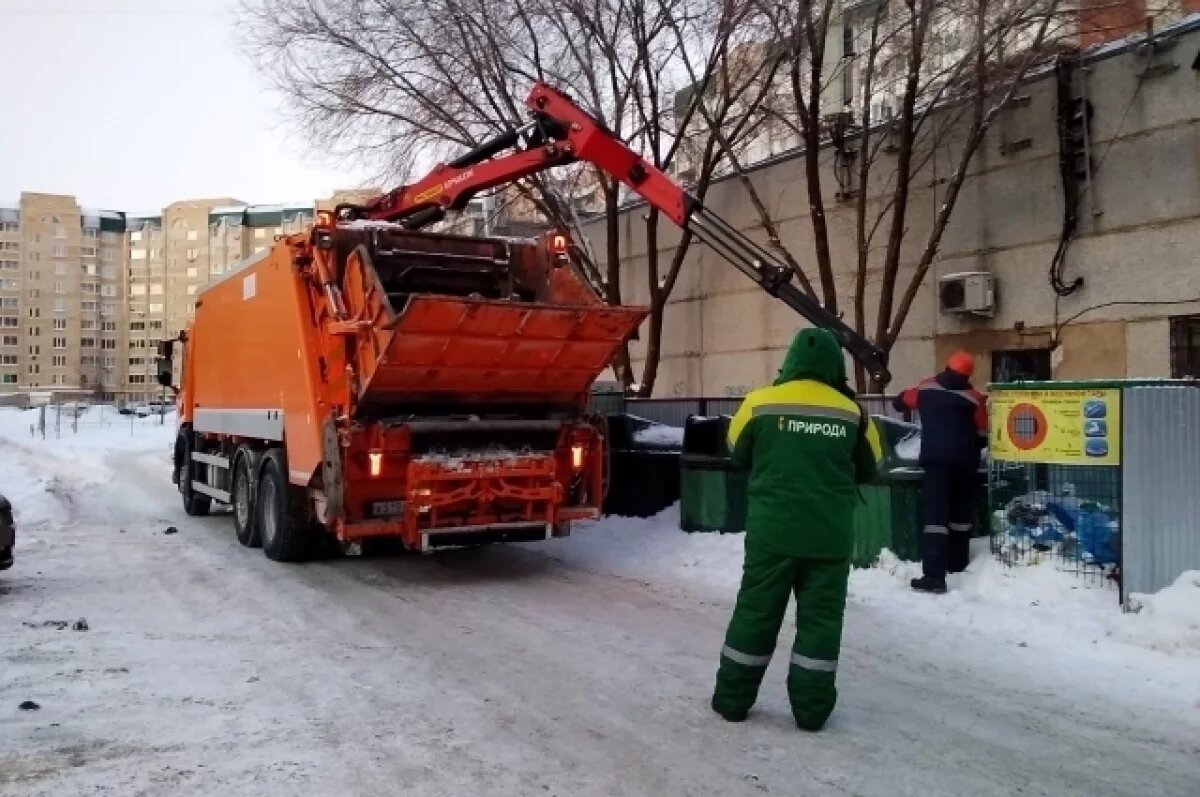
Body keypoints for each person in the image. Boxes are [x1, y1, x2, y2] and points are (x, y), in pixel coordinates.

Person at [712, 327, 882, 732]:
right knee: (821, 623)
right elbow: (872, 466)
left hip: (773, 534)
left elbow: (736, 451)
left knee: (755, 612)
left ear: (790, 361)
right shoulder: (853, 413)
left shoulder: (759, 404)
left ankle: (733, 700)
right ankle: (811, 711)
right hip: (829, 537)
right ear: (834, 365)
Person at [893, 351, 988, 594]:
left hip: (936, 461)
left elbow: (900, 401)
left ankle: (934, 577)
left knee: (935, 520)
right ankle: (957, 565)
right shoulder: (975, 399)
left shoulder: (926, 388)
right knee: (959, 517)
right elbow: (982, 435)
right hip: (965, 463)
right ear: (969, 375)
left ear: (947, 367)